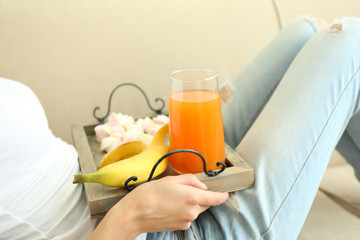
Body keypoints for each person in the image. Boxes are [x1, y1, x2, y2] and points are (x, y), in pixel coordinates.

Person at [1, 15, 360, 240]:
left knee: (305, 30)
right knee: (350, 41)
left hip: (144, 177)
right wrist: (133, 215)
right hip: (166, 229)